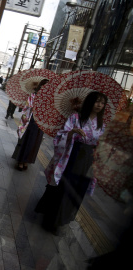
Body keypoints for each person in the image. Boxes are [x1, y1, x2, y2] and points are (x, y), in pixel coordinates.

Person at [35, 92, 107, 234]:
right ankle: (52, 220)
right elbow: (61, 135)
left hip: (88, 159)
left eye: (102, 103)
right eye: (97, 101)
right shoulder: (76, 117)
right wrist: (72, 132)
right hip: (72, 155)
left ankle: (61, 219)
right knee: (64, 187)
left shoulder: (101, 124)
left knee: (77, 190)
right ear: (90, 102)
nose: (99, 105)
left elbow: (101, 144)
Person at [11, 79, 49, 171]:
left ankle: (27, 160)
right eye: (44, 86)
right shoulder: (33, 96)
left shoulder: (48, 99)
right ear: (40, 86)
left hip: (40, 124)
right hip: (30, 121)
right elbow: (28, 107)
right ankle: (20, 160)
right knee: (26, 141)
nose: (45, 88)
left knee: (34, 143)